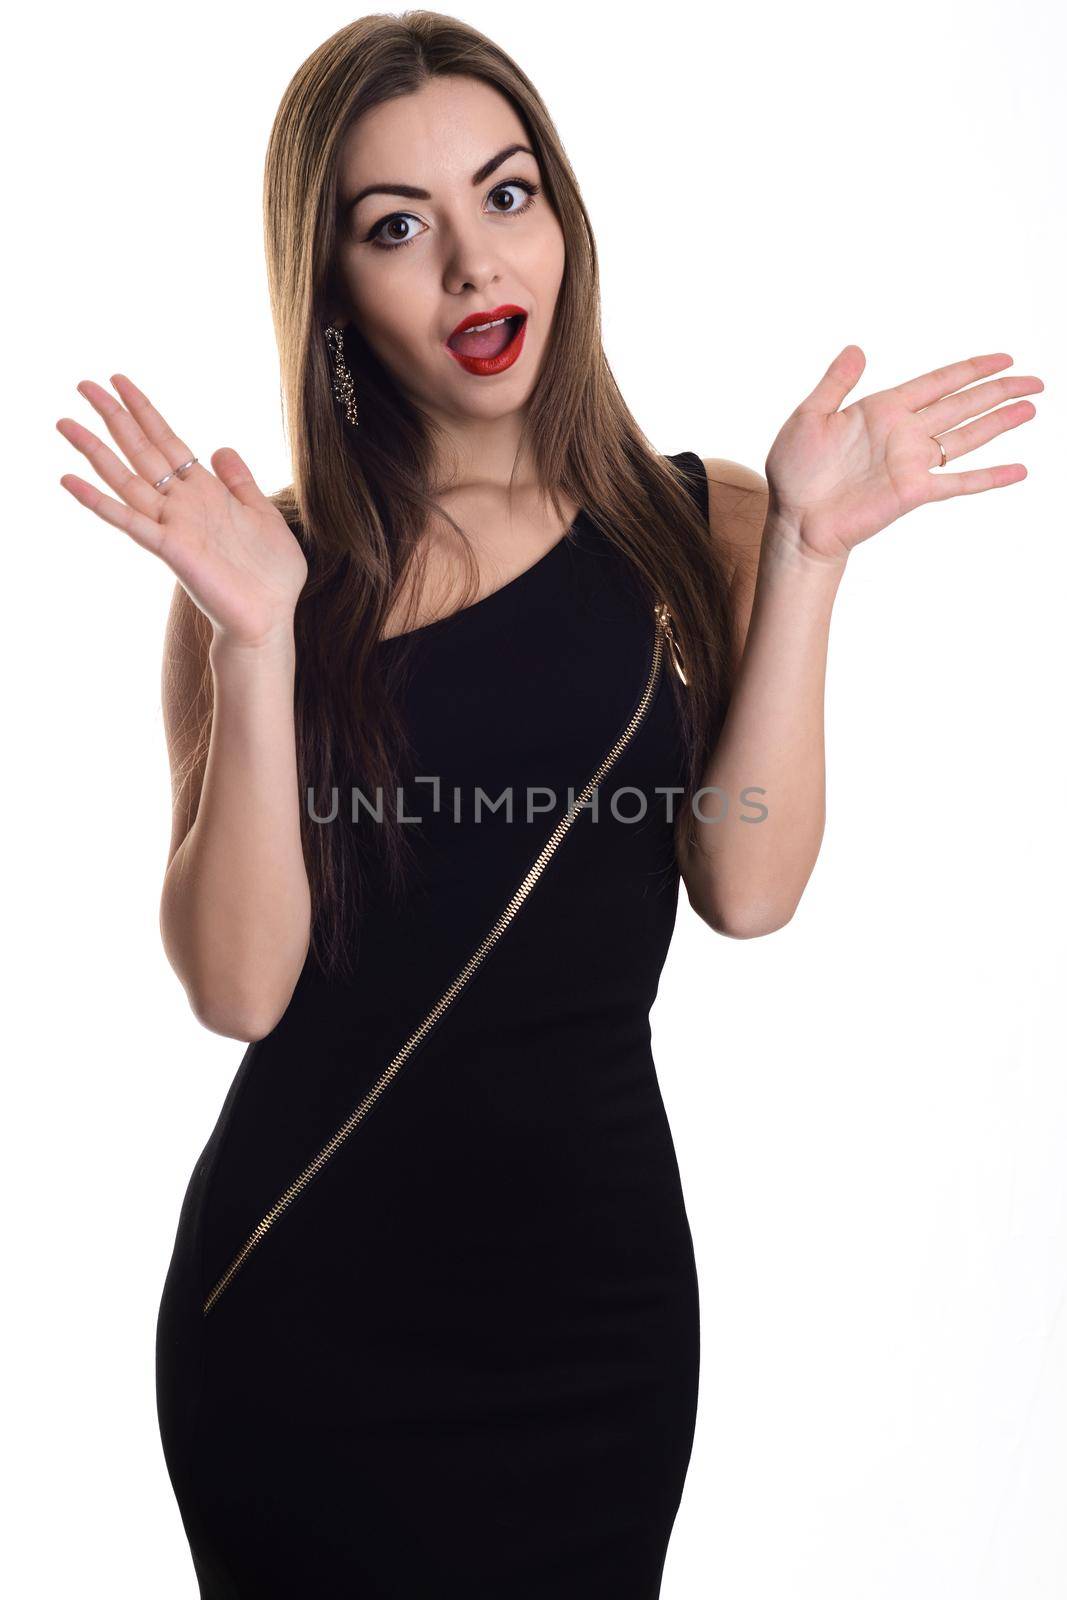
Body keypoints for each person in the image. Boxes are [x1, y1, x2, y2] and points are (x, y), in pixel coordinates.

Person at [54, 12, 1041, 1597]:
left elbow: (748, 890)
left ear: (565, 218)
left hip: (592, 1322)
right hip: (301, 1313)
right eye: (398, 228)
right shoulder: (265, 572)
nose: (472, 269)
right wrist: (253, 642)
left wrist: (806, 556)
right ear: (330, 289)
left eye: (506, 197)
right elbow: (238, 988)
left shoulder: (703, 521)